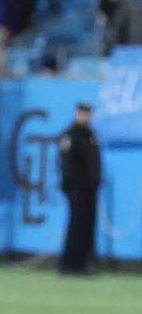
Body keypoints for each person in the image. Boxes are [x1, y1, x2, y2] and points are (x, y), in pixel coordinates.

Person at [58, 102, 101, 276]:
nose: (86, 117)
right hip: (76, 189)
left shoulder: (90, 134)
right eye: (84, 113)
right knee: (76, 225)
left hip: (90, 189)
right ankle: (70, 264)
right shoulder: (71, 135)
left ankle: (84, 263)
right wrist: (71, 185)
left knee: (88, 226)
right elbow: (66, 163)